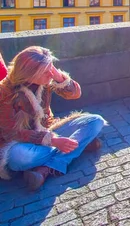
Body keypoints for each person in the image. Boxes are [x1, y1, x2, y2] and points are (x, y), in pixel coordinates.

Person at [0, 46, 105, 191]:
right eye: (45, 71)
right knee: (20, 158)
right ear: (29, 73)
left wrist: (58, 76)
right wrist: (53, 141)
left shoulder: (45, 81)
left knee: (95, 121)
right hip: (19, 143)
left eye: (51, 68)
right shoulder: (4, 91)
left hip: (49, 130)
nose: (50, 74)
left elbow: (75, 94)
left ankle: (44, 170)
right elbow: (11, 132)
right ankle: (78, 146)